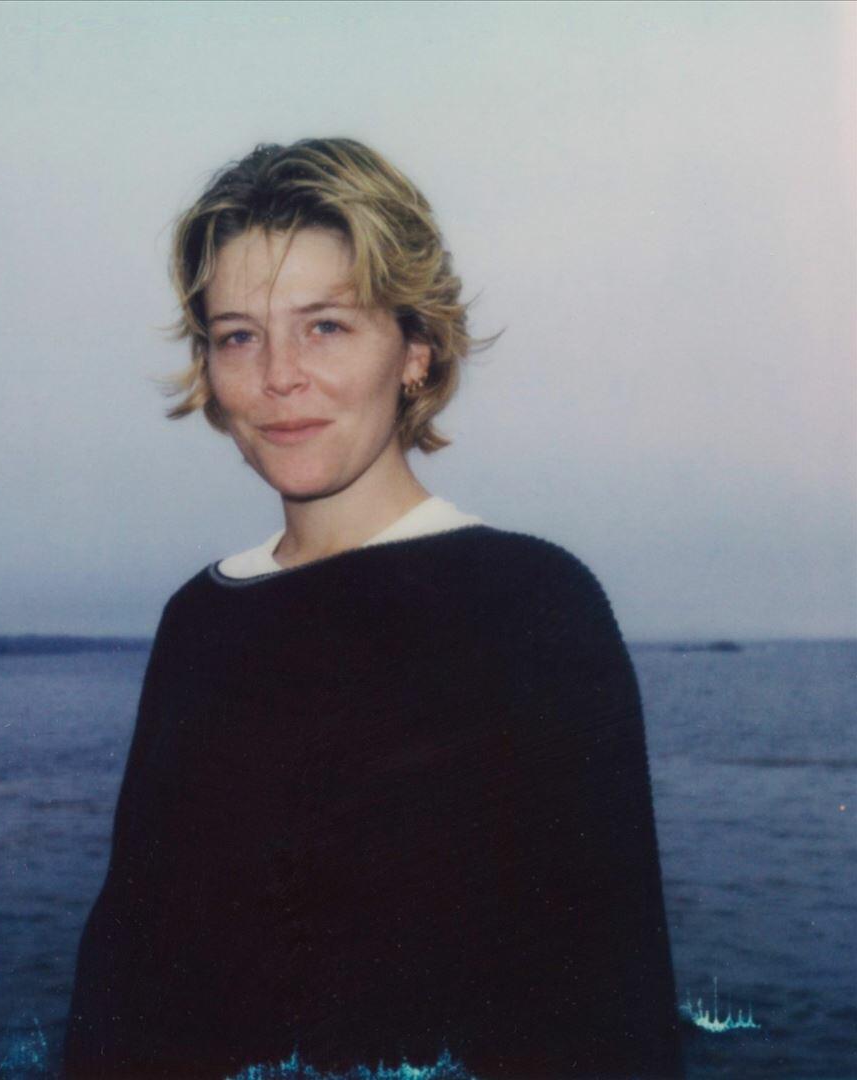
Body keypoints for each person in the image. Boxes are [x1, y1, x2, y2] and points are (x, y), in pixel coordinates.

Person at [63, 138, 685, 1079]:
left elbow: (611, 1001)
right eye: (239, 336)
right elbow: (126, 972)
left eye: (324, 327)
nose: (279, 375)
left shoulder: (528, 606)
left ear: (415, 349)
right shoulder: (200, 615)